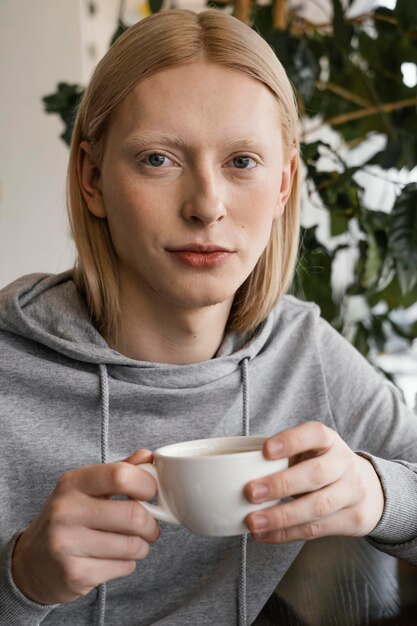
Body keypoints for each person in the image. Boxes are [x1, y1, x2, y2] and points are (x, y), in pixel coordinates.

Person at [0, 8, 416, 626]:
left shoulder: (302, 351)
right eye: (158, 159)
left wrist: (378, 491)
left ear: (283, 185)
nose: (206, 206)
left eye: (242, 161)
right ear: (91, 178)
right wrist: (20, 578)